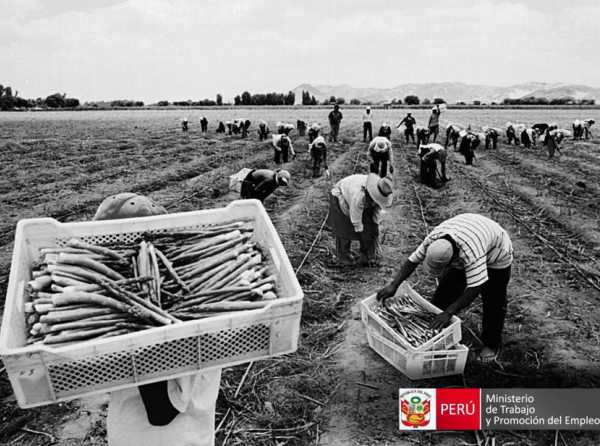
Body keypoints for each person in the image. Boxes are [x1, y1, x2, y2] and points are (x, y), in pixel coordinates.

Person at [94, 193, 221, 446]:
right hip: (155, 433)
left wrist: (141, 333)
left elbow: (162, 412)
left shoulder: (180, 319)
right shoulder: (183, 301)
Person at [376, 213, 513, 362]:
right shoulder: (434, 241)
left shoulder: (471, 253)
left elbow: (475, 287)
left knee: (493, 300)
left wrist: (449, 312)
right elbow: (412, 260)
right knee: (445, 291)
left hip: (497, 252)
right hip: (469, 233)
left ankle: (491, 344)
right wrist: (394, 285)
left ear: (454, 259)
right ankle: (436, 334)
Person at [327, 173, 393, 266]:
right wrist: (361, 233)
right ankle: (344, 257)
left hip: (356, 198)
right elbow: (355, 219)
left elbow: (375, 215)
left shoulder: (377, 194)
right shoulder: (359, 196)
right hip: (341, 194)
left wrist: (374, 229)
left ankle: (368, 256)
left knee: (370, 227)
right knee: (343, 229)